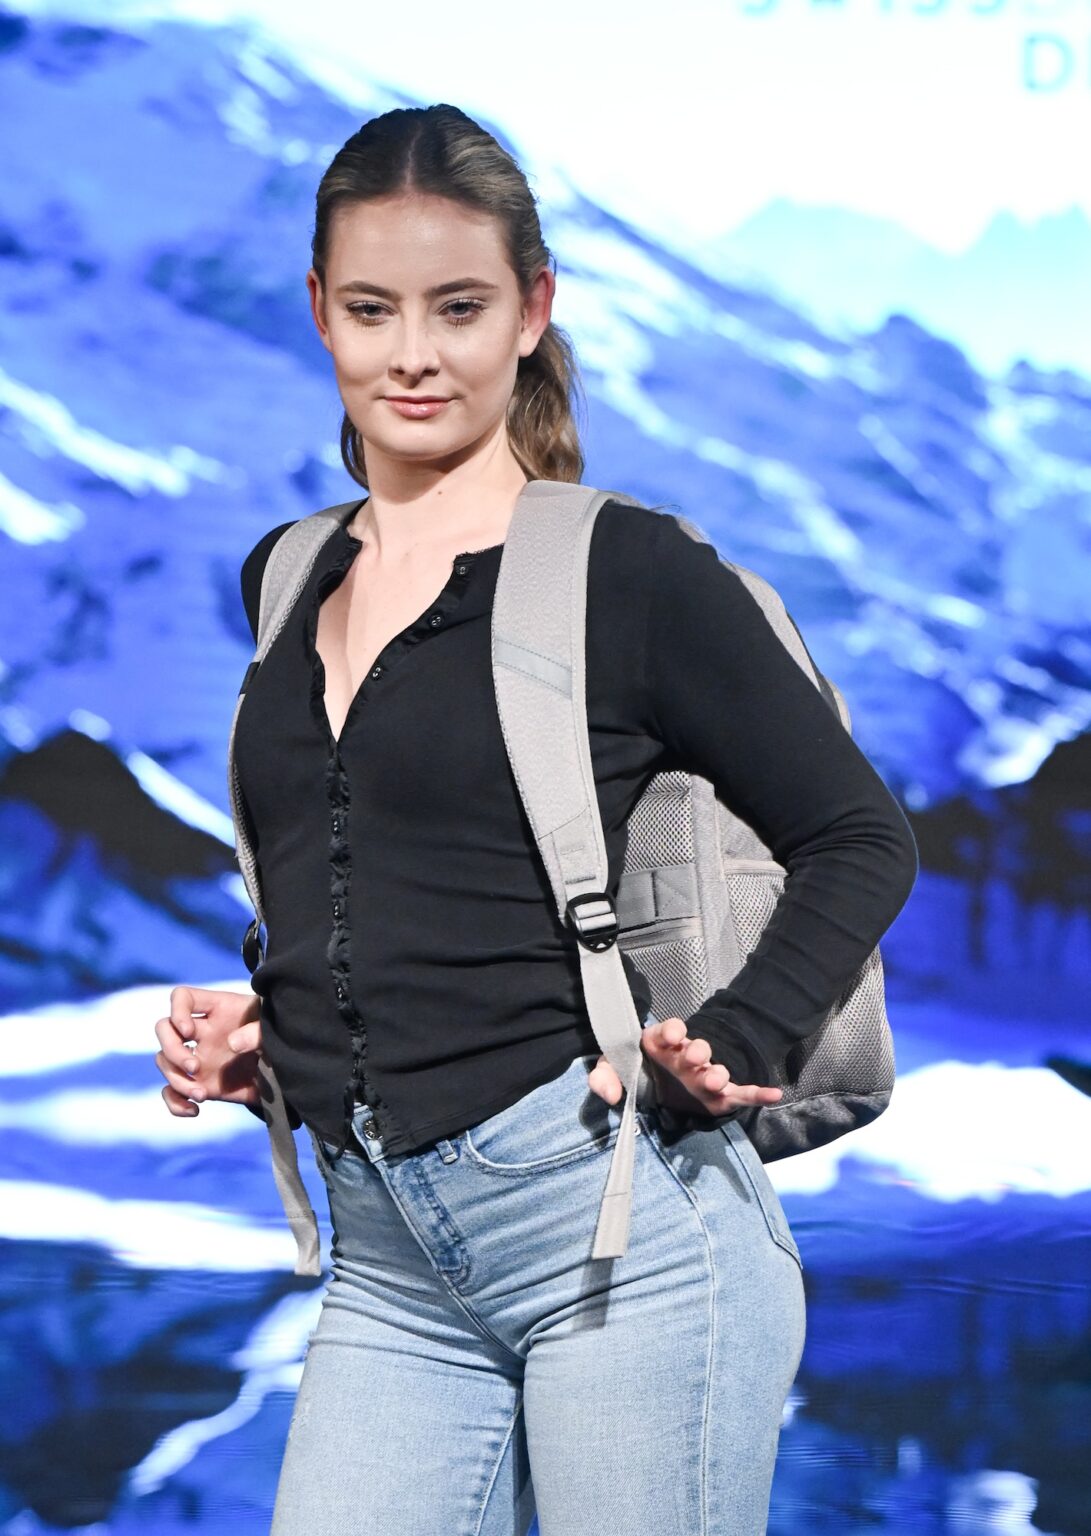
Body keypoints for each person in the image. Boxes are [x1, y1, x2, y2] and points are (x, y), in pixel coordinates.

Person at [153, 103, 918, 1536]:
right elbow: (397, 871)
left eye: (459, 307)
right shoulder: (285, 575)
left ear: (534, 311)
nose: (413, 353)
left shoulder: (628, 570)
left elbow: (863, 836)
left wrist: (736, 1045)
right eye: (372, 308)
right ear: (319, 310)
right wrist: (269, 1032)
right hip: (385, 1259)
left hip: (622, 1231)